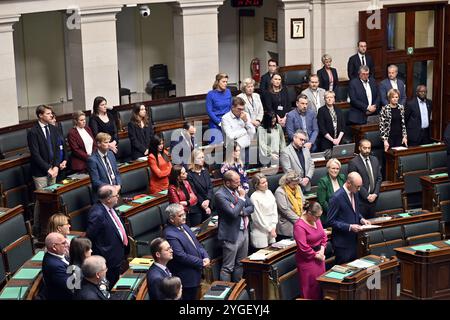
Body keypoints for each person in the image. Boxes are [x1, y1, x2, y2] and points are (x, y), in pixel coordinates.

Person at [163, 203, 210, 300]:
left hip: (196, 272)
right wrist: (201, 262)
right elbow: (181, 256)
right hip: (187, 278)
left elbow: (197, 245)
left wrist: (205, 256)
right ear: (172, 219)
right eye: (180, 216)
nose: (184, 217)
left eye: (184, 214)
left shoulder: (184, 226)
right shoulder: (170, 234)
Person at [86, 185, 129, 286]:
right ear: (109, 199)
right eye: (116, 195)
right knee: (110, 286)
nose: (118, 196)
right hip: (109, 258)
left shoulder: (110, 208)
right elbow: (90, 236)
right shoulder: (97, 214)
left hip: (117, 254)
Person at [215, 171, 254, 282]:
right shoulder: (220, 195)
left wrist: (241, 211)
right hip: (231, 234)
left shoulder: (239, 189)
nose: (239, 183)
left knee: (240, 263)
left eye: (239, 181)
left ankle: (237, 289)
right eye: (236, 182)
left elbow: (251, 207)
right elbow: (232, 214)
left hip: (244, 230)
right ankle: (228, 293)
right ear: (227, 183)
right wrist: (241, 199)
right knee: (228, 267)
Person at [327, 172, 371, 264]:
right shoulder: (336, 197)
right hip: (342, 244)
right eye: (357, 186)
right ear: (349, 183)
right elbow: (331, 221)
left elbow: (355, 211)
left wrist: (361, 219)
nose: (359, 189)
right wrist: (349, 227)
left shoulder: (354, 192)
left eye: (360, 186)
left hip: (355, 241)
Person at [293, 202, 327, 300]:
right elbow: (303, 247)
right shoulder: (299, 226)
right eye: (317, 216)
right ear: (309, 214)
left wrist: (322, 250)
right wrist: (317, 255)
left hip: (320, 258)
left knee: (320, 286)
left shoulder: (317, 219)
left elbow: (323, 236)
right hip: (307, 261)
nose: (318, 219)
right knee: (310, 289)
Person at [27, 105, 66, 190]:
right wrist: (48, 169)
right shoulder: (33, 132)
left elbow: (57, 149)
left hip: (53, 169)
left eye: (51, 113)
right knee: (43, 198)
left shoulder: (53, 128)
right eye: (48, 114)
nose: (51, 115)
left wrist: (56, 166)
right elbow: (35, 154)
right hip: (40, 172)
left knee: (53, 196)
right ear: (40, 115)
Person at [348, 139, 382, 219]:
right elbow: (354, 182)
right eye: (365, 148)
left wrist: (375, 194)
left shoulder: (375, 160)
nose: (367, 150)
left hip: (374, 200)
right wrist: (367, 196)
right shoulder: (353, 162)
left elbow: (379, 178)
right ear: (359, 148)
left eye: (369, 148)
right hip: (361, 201)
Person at [249, 173, 278, 249]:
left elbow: (274, 211)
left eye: (266, 181)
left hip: (272, 228)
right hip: (260, 230)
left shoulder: (269, 192)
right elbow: (257, 217)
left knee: (273, 252)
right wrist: (269, 229)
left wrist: (273, 226)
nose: (266, 184)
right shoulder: (254, 197)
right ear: (256, 185)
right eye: (263, 183)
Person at [274, 171, 304, 240]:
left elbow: (303, 201)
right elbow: (285, 210)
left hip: (300, 223)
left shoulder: (298, 188)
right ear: (287, 182)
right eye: (293, 184)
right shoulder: (280, 192)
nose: (295, 186)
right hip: (287, 227)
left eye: (297, 184)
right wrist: (300, 220)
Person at [42, 232, 72, 300]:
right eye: (63, 243)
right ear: (54, 247)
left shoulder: (58, 254)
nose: (67, 245)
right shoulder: (54, 266)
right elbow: (71, 287)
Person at [316, 158, 346, 226]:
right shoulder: (323, 181)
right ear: (328, 168)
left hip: (342, 213)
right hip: (329, 215)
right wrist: (334, 212)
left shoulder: (342, 178)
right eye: (333, 168)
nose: (335, 171)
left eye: (337, 169)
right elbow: (322, 202)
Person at [187, 149, 214, 222]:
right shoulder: (189, 174)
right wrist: (203, 204)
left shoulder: (205, 171)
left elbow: (210, 187)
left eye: (203, 157)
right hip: (197, 207)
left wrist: (208, 200)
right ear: (193, 160)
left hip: (207, 203)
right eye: (199, 158)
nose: (202, 160)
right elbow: (194, 192)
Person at [206, 73, 232, 144]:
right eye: (223, 82)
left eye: (226, 82)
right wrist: (219, 122)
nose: (225, 84)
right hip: (216, 122)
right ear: (217, 82)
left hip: (227, 120)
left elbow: (231, 107)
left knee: (231, 143)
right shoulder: (211, 94)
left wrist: (229, 120)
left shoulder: (228, 92)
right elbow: (209, 111)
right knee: (217, 145)